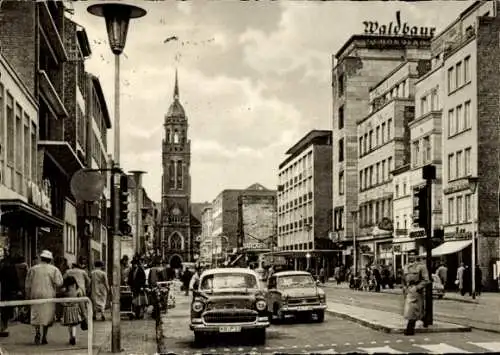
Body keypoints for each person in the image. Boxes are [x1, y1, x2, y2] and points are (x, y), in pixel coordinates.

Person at [25, 250, 64, 345]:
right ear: (50, 260)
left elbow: (27, 284)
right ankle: (44, 336)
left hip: (35, 294)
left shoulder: (33, 269)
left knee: (36, 314)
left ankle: (37, 332)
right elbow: (59, 283)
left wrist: (27, 295)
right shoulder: (54, 269)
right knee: (47, 315)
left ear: (41, 258)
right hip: (48, 294)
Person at [402, 253, 429, 336]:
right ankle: (423, 321)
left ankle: (410, 329)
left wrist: (417, 288)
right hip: (408, 290)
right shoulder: (406, 266)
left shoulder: (421, 266)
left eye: (413, 255)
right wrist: (404, 287)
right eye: (409, 255)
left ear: (417, 256)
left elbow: (426, 280)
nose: (411, 256)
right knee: (410, 310)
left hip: (416, 290)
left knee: (413, 310)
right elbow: (403, 279)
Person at [61, 276, 86, 345]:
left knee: (69, 325)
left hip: (67, 309)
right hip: (75, 309)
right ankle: (74, 336)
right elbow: (81, 302)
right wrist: (84, 313)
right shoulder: (78, 290)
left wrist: (64, 304)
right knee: (74, 324)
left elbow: (60, 300)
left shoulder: (64, 290)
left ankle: (71, 336)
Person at [0, 253, 20, 337]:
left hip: (5, 290)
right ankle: (4, 325)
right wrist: (17, 289)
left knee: (5, 309)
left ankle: (3, 325)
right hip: (8, 291)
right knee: (7, 309)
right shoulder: (11, 268)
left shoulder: (5, 269)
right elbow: (15, 279)